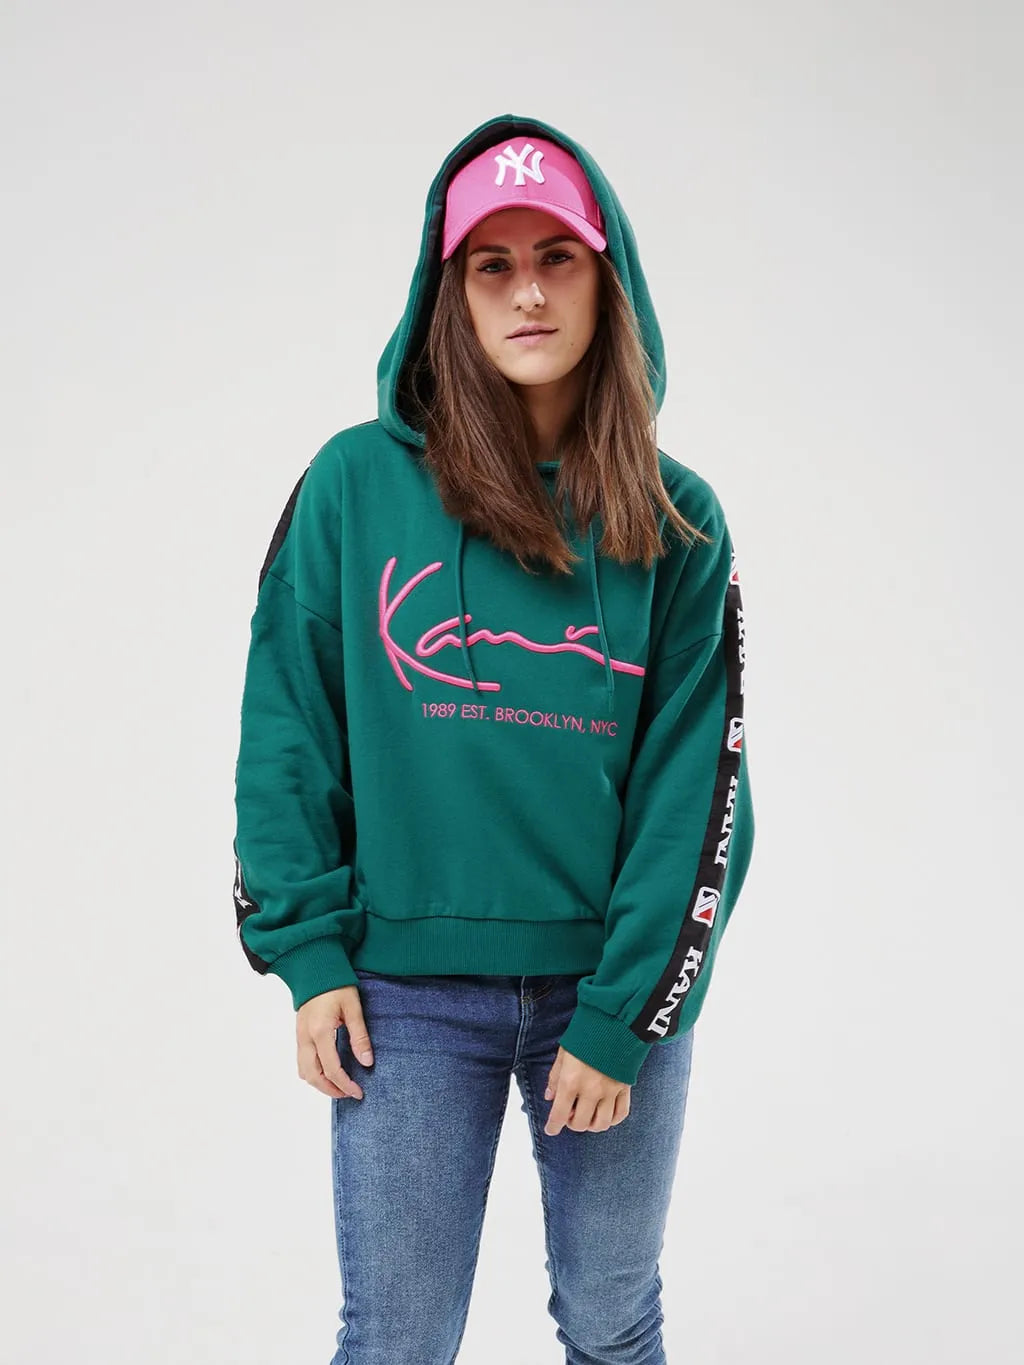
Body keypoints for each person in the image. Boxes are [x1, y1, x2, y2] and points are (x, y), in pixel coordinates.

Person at [232, 112, 755, 1365]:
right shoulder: (354, 484)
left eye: (557, 258)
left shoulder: (676, 519)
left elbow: (697, 790)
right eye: (492, 264)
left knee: (611, 1319)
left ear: (606, 280)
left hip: (605, 986)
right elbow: (287, 725)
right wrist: (307, 952)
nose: (527, 293)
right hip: (402, 997)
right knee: (399, 1335)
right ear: (449, 291)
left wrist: (625, 1013)